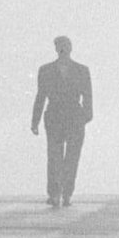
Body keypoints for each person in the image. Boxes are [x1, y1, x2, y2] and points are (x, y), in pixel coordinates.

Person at [31, 36, 92, 207]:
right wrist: (34, 121)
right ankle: (55, 193)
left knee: (72, 158)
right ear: (56, 49)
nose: (64, 49)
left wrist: (86, 116)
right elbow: (40, 96)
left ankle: (66, 194)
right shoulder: (45, 70)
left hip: (75, 116)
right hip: (54, 116)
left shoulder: (82, 70)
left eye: (66, 45)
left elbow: (88, 95)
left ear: (71, 48)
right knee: (54, 157)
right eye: (60, 46)